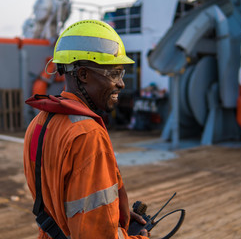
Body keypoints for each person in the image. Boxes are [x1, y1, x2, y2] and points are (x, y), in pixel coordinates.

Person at [23, 19, 150, 239]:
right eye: (114, 73)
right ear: (83, 74)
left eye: (121, 74)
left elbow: (60, 202)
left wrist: (113, 214)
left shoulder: (39, 124)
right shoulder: (88, 136)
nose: (121, 83)